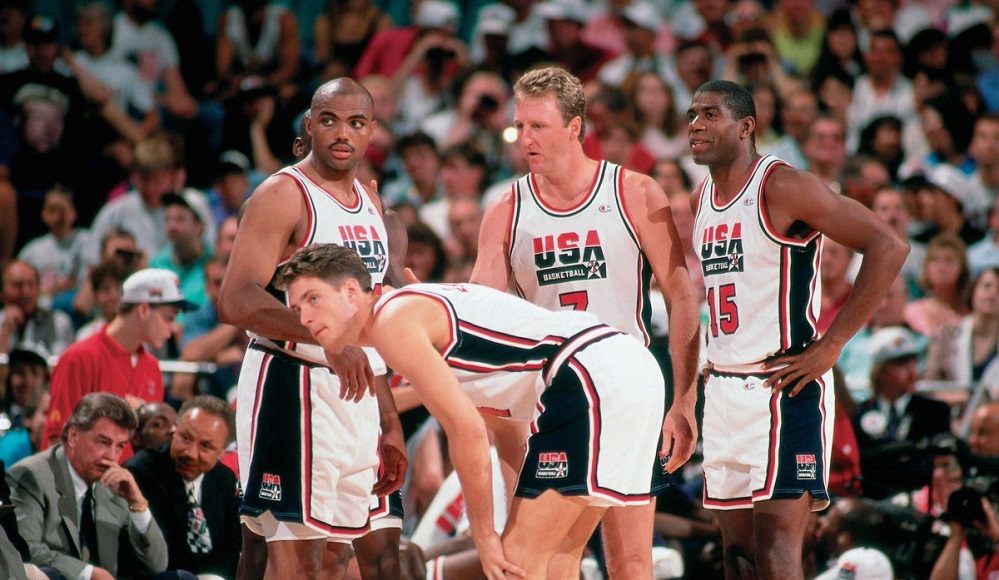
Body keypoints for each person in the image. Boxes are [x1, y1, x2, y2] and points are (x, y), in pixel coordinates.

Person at [277, 242, 680, 579]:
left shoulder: (391, 321)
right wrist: (511, 518)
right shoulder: (415, 314)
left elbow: (467, 430)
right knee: (558, 563)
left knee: (516, 564)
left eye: (313, 298)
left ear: (351, 290)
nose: (305, 317)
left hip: (587, 371)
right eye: (296, 310)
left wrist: (486, 538)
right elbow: (506, 431)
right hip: (630, 367)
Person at [472, 65, 701, 579]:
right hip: (550, 397)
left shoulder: (633, 192)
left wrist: (683, 401)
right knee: (544, 560)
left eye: (538, 126)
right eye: (519, 127)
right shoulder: (506, 208)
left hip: (626, 391)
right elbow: (482, 311)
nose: (525, 139)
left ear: (575, 127)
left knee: (630, 559)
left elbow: (682, 298)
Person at [687, 80, 908, 580]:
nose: (695, 125)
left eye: (710, 114)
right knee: (737, 557)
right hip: (722, 388)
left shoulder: (781, 185)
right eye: (692, 115)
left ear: (745, 127)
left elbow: (888, 245)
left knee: (776, 553)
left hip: (781, 386)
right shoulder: (702, 198)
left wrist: (832, 344)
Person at [217, 78, 406, 578]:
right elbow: (236, 299)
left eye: (356, 123)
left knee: (337, 559)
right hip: (291, 382)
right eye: (330, 120)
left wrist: (389, 420)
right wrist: (324, 337)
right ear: (309, 125)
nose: (343, 133)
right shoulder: (283, 193)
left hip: (355, 393)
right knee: (293, 560)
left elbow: (367, 326)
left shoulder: (370, 204)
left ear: (372, 132)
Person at [7, 392, 169, 579]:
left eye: (120, 446)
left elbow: (157, 565)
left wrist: (137, 503)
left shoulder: (114, 483)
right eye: (104, 442)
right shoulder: (31, 475)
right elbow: (25, 549)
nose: (112, 456)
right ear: (73, 436)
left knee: (181, 577)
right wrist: (88, 573)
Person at [43, 268, 195, 448]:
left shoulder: (152, 366)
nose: (174, 328)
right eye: (169, 318)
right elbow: (58, 439)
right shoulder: (78, 358)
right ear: (144, 310)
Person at [126, 395, 241, 578]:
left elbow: (231, 550)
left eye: (205, 446)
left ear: (222, 452)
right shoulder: (142, 473)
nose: (190, 453)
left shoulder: (223, 478)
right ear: (174, 431)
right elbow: (160, 558)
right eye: (185, 438)